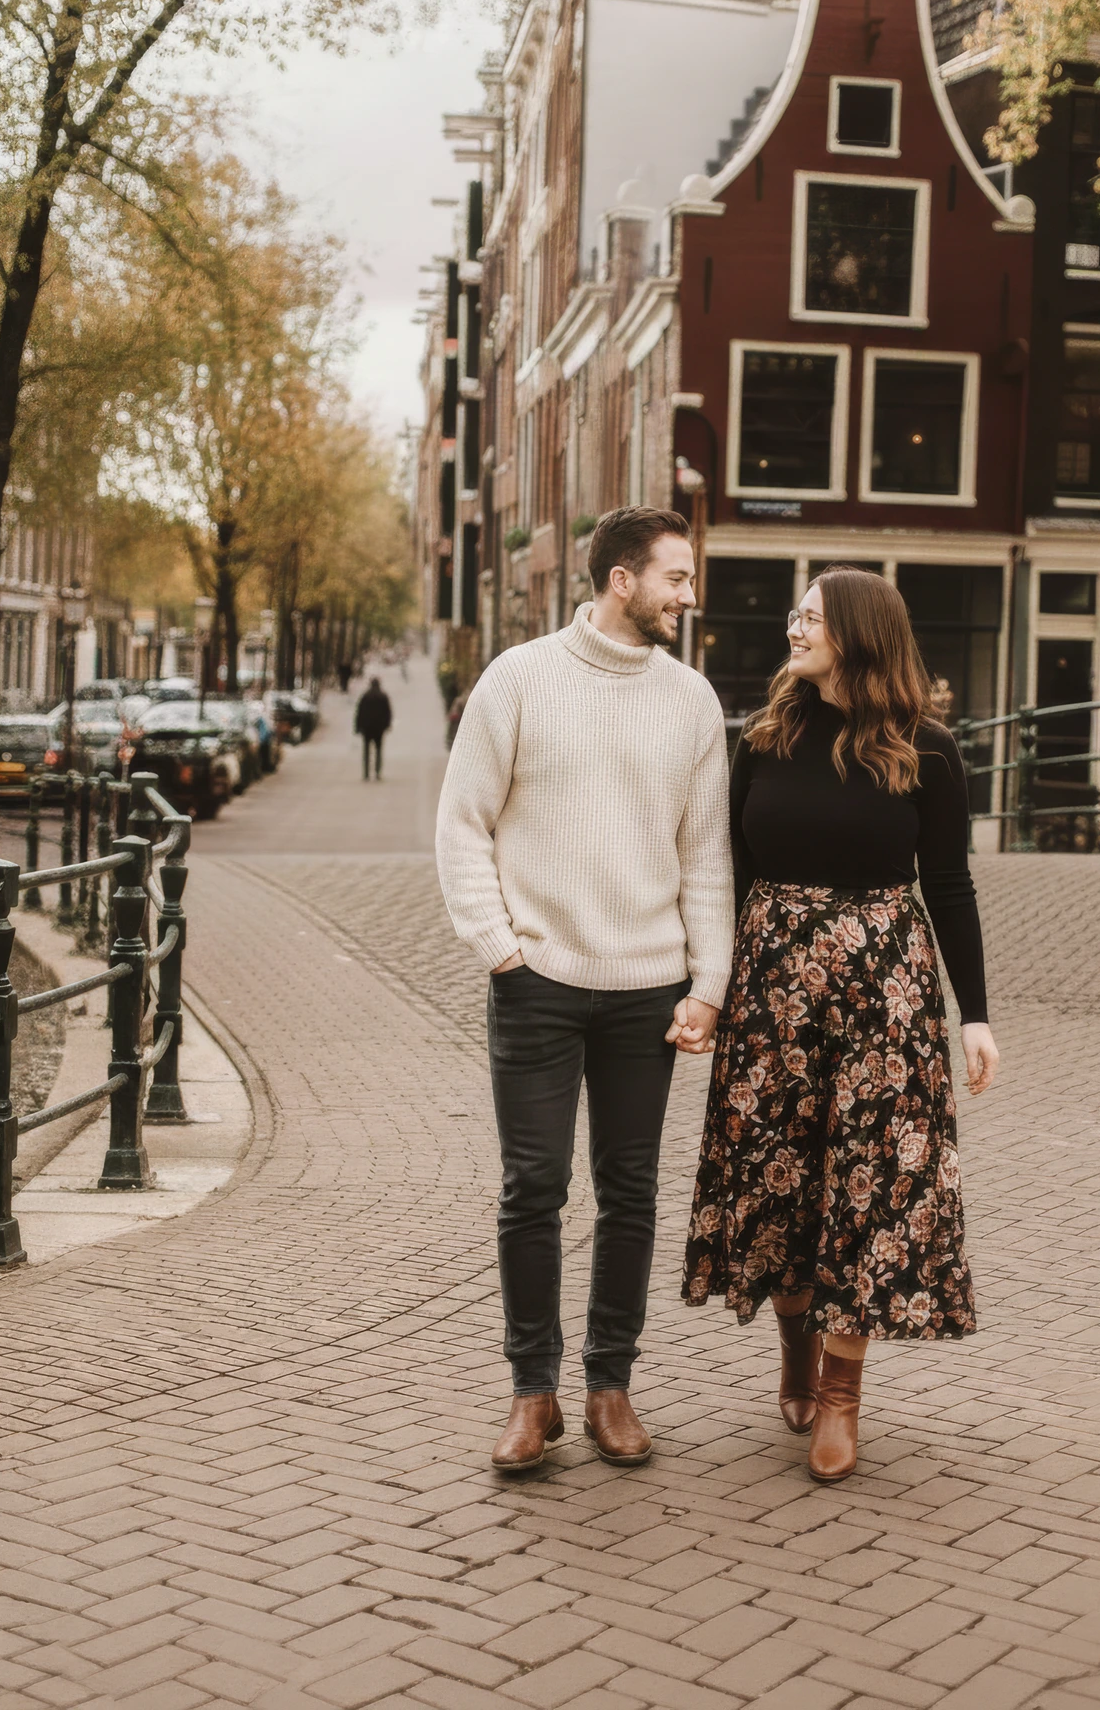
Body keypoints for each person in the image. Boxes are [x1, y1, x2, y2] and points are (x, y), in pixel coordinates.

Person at [682, 566, 999, 1484]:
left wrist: (974, 1014)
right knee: (779, 1177)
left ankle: (842, 1396)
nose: (794, 626)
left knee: (870, 1190)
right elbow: (730, 876)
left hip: (884, 997)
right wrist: (707, 987)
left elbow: (950, 884)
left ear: (859, 634)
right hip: (773, 990)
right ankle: (794, 1353)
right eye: (795, 613)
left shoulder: (926, 751)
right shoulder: (766, 736)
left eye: (812, 617)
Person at [435, 506, 732, 1473]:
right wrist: (498, 946)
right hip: (538, 982)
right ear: (621, 580)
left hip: (648, 988)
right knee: (533, 1189)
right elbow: (462, 822)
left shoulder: (691, 701)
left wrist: (709, 985)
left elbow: (706, 860)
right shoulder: (517, 679)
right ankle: (533, 1393)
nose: (690, 597)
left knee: (631, 1191)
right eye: (677, 578)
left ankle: (610, 1386)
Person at [354, 677, 392, 780]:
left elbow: (360, 713)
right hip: (379, 729)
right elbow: (387, 713)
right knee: (378, 750)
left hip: (367, 729)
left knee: (366, 751)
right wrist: (387, 725)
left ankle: (366, 772)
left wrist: (358, 727)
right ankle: (377, 772)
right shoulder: (383, 697)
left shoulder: (365, 697)